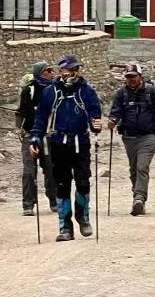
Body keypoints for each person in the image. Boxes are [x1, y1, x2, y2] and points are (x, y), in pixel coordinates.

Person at [30, 54, 103, 241]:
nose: (73, 73)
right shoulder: (51, 92)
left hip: (81, 142)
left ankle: (83, 216)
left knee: (83, 182)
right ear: (61, 70)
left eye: (75, 69)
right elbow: (40, 118)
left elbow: (94, 110)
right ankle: (65, 227)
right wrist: (35, 138)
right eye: (69, 69)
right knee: (61, 185)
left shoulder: (86, 90)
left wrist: (95, 123)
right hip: (58, 143)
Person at [107, 62, 155, 215]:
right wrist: (112, 120)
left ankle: (139, 198)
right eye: (128, 77)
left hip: (147, 138)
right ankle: (137, 198)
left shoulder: (150, 92)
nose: (131, 79)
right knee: (133, 170)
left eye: (133, 76)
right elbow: (116, 111)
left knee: (142, 167)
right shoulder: (122, 93)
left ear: (140, 76)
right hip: (129, 138)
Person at [15, 61, 58, 215]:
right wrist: (19, 129)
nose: (51, 73)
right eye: (48, 70)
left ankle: (54, 201)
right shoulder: (29, 91)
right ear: (40, 72)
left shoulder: (55, 90)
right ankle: (28, 205)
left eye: (52, 70)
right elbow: (20, 111)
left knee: (51, 169)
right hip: (30, 135)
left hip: (48, 136)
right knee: (29, 171)